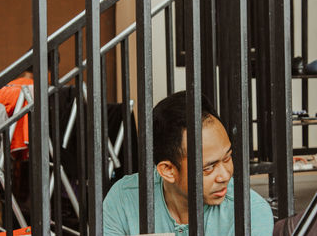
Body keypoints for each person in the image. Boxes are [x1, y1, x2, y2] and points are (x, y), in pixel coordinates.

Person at [103, 91, 274, 235]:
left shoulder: (250, 212)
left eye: (227, 158)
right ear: (168, 170)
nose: (225, 175)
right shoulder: (124, 199)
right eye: (209, 168)